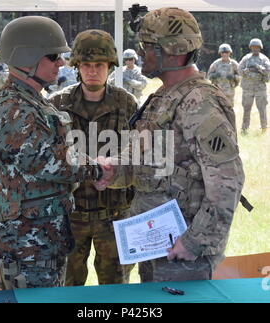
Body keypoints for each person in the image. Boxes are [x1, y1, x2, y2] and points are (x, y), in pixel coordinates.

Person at [96, 7, 245, 282]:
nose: (140, 52)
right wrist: (113, 170)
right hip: (154, 244)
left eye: (148, 46)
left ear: (173, 50)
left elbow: (227, 182)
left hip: (182, 253)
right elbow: (146, 160)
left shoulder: (200, 102)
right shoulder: (164, 96)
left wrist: (194, 241)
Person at [0, 16, 110, 290]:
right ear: (27, 57)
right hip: (28, 246)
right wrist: (96, 168)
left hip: (39, 240)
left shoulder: (29, 100)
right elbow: (49, 162)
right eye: (53, 56)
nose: (61, 63)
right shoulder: (14, 108)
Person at [50, 29, 137, 286]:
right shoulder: (57, 105)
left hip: (114, 215)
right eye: (86, 65)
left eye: (99, 65)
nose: (92, 71)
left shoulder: (127, 104)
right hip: (70, 215)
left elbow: (139, 154)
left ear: (110, 67)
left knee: (115, 289)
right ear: (76, 67)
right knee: (68, 286)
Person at [238, 38, 270, 134]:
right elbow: (239, 70)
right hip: (247, 88)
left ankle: (264, 128)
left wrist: (258, 67)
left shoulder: (264, 59)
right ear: (250, 47)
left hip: (260, 88)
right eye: (253, 47)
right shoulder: (246, 58)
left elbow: (268, 70)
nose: (255, 49)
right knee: (246, 108)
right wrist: (247, 70)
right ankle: (244, 128)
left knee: (262, 109)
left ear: (260, 48)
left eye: (257, 47)